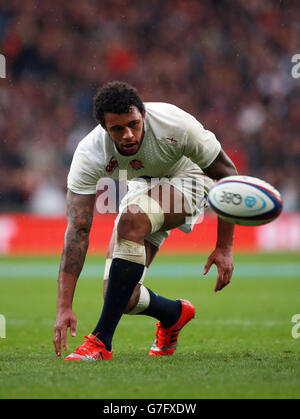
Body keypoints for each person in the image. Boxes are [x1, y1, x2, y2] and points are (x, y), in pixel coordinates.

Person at [53, 81, 237, 361]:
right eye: (117, 129)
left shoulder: (175, 124)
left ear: (144, 115)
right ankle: (174, 314)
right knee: (120, 296)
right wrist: (64, 306)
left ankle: (101, 341)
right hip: (144, 186)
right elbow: (77, 228)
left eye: (134, 124)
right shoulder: (90, 153)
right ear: (104, 128)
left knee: (131, 220)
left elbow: (228, 175)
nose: (128, 135)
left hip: (192, 175)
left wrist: (224, 246)